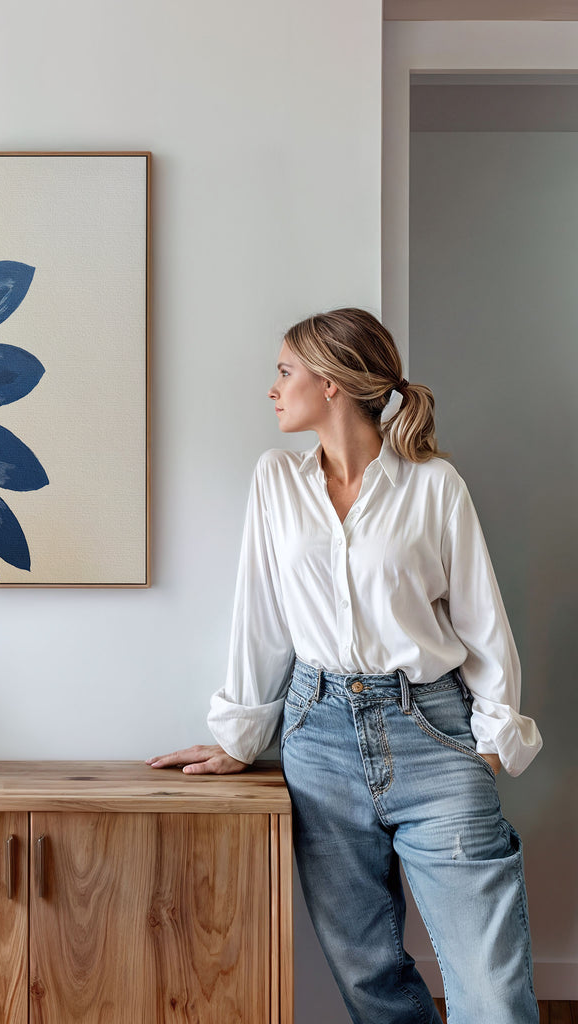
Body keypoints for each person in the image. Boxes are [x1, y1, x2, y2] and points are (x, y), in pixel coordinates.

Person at [148, 308, 542, 1024]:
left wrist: (489, 741)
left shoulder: (434, 486)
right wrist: (241, 737)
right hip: (317, 735)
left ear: (331, 384)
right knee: (369, 979)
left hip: (433, 729)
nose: (273, 388)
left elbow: (483, 622)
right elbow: (259, 617)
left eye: (284, 371)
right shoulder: (276, 482)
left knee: (491, 989)